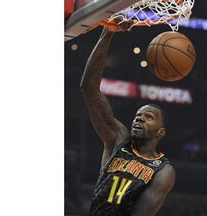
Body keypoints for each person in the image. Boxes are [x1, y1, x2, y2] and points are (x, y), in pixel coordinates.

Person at [80, 21, 176, 216]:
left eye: (148, 117)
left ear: (161, 132)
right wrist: (108, 33)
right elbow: (89, 88)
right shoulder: (119, 140)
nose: (139, 119)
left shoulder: (163, 170)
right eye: (138, 115)